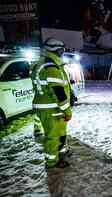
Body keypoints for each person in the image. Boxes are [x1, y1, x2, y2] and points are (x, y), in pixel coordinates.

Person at [31, 38, 72, 168]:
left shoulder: (43, 63)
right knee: (53, 136)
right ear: (56, 50)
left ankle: (60, 152)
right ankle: (52, 161)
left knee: (59, 132)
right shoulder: (51, 67)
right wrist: (67, 110)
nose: (63, 53)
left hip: (48, 107)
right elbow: (58, 91)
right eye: (62, 50)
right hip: (52, 108)